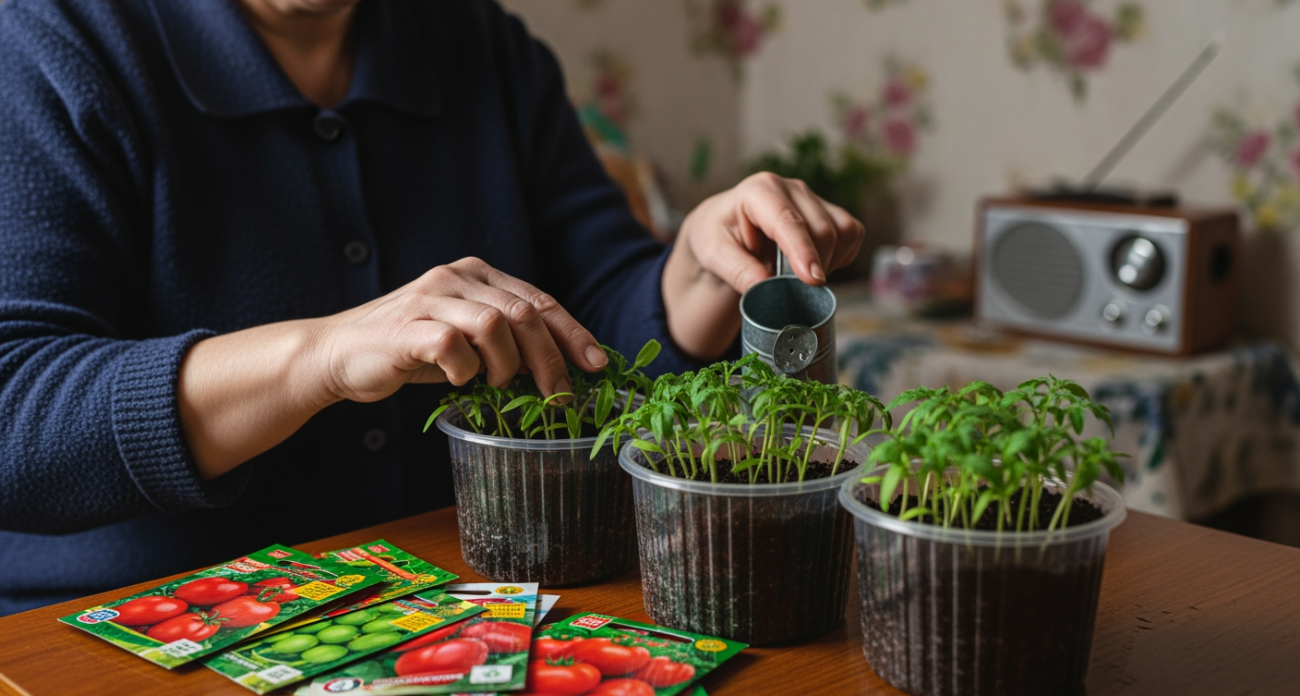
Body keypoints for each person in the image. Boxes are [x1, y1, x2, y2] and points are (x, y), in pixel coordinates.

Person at [0, 0, 863, 616]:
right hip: (133, 624)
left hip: (454, 597)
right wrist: (323, 355)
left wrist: (703, 272)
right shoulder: (49, 42)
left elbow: (594, 314)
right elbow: (15, 417)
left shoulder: (480, 41)